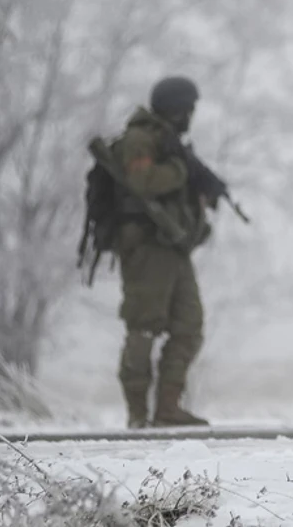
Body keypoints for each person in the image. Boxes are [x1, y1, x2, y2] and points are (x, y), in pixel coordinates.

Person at [111, 76, 215, 428]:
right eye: (188, 109)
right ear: (176, 108)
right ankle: (138, 414)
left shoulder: (171, 143)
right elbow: (142, 182)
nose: (191, 116)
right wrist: (181, 171)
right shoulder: (140, 139)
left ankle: (168, 408)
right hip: (146, 246)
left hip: (174, 247)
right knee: (144, 326)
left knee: (189, 325)